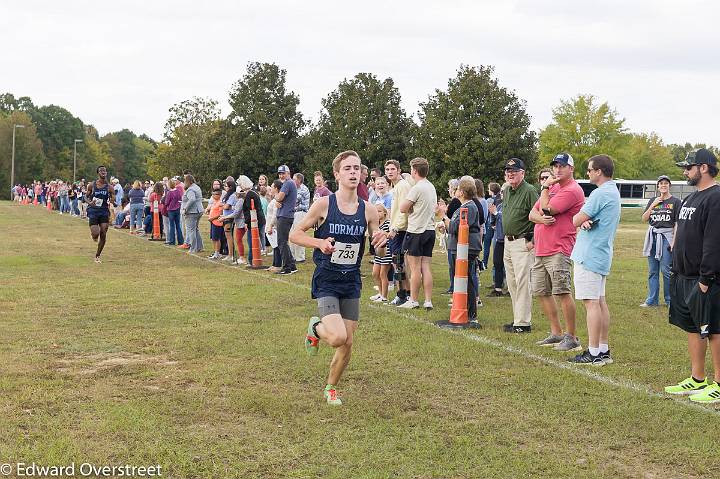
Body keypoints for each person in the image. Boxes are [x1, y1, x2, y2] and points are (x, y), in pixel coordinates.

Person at [291, 150, 386, 406]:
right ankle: (315, 327)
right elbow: (295, 234)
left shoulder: (368, 210)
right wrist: (319, 242)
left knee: (348, 342)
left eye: (357, 168)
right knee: (337, 337)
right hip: (327, 280)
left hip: (351, 281)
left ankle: (331, 387)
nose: (353, 172)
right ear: (337, 174)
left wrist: (381, 241)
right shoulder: (324, 204)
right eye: (347, 169)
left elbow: (378, 248)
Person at [665, 148, 720, 403]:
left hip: (706, 279)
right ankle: (698, 378)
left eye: (689, 167)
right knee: (693, 327)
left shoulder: (716, 197)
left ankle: (719, 382)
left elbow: (713, 241)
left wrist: (706, 279)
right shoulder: (690, 199)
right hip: (684, 276)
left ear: (704, 168)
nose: (685, 172)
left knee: (714, 329)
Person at [529, 153, 585, 351]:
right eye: (555, 166)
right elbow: (532, 213)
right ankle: (556, 333)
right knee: (541, 291)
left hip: (559, 248)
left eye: (562, 166)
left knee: (562, 291)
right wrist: (541, 218)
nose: (558, 169)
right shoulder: (552, 187)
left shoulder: (571, 190)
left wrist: (544, 195)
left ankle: (571, 337)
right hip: (541, 248)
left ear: (571, 169)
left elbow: (547, 209)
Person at [568, 154, 621, 365]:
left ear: (599, 171)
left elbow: (576, 219)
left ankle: (593, 352)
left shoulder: (601, 193)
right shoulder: (613, 192)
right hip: (601, 253)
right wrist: (586, 221)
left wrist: (583, 220)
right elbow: (588, 220)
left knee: (591, 304)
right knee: (599, 302)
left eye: (590, 170)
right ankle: (603, 349)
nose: (588, 173)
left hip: (589, 254)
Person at [501, 158, 538, 333]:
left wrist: (534, 241)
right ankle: (518, 318)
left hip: (523, 242)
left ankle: (523, 322)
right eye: (508, 171)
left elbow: (540, 216)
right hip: (508, 242)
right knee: (512, 282)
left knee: (523, 282)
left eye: (514, 171)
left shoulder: (529, 190)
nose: (510, 174)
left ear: (522, 173)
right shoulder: (508, 190)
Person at [398, 157, 437, 310]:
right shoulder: (431, 186)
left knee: (414, 268)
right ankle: (428, 300)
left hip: (416, 231)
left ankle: (413, 300)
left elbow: (402, 207)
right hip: (429, 230)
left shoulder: (417, 187)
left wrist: (410, 207)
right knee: (425, 266)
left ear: (414, 171)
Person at [640, 175, 681, 307]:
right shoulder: (653, 200)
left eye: (666, 183)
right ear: (658, 186)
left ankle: (670, 300)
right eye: (661, 183)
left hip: (666, 238)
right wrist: (653, 204)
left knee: (666, 270)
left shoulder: (675, 202)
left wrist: (673, 242)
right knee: (653, 271)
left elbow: (677, 224)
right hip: (652, 237)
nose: (663, 185)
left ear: (669, 186)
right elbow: (644, 219)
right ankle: (652, 300)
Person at [446, 176, 483, 321]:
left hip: (466, 248)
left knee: (466, 279)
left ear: (461, 192)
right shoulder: (466, 206)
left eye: (457, 189)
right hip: (462, 247)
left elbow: (456, 227)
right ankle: (466, 309)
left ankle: (470, 312)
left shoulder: (468, 207)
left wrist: (443, 216)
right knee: (464, 279)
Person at [386, 159, 414, 306]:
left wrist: (396, 228)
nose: (390, 172)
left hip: (401, 230)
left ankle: (406, 294)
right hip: (395, 228)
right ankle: (401, 294)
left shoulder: (403, 186)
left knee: (399, 263)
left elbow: (404, 211)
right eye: (387, 170)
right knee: (396, 262)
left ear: (398, 170)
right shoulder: (395, 187)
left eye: (392, 169)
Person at [86, 166, 115, 263]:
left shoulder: (109, 187)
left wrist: (112, 200)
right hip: (93, 211)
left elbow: (113, 198)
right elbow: (85, 197)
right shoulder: (92, 185)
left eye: (105, 170)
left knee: (103, 232)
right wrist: (90, 203)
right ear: (98, 173)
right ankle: (94, 236)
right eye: (101, 170)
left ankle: (97, 256)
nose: (103, 172)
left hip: (103, 211)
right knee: (96, 233)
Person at [274, 165, 298, 274]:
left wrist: (275, 194)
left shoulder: (288, 183)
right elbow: (280, 200)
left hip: (284, 216)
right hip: (286, 215)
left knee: (282, 242)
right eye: (280, 173)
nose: (281, 175)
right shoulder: (289, 183)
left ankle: (287, 267)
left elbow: (279, 197)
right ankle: (292, 265)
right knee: (283, 242)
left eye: (283, 173)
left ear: (288, 173)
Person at [238, 175, 266, 265]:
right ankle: (253, 259)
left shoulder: (250, 194)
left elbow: (251, 210)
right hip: (257, 220)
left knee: (251, 241)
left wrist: (247, 222)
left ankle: (251, 260)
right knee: (252, 240)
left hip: (255, 221)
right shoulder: (252, 193)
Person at [370, 204, 392, 303]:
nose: (377, 213)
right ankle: (380, 292)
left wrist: (384, 233)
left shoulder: (388, 223)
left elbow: (391, 235)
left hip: (386, 252)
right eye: (375, 211)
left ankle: (384, 296)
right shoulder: (376, 225)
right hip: (378, 252)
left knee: (383, 274)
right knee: (375, 273)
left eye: (379, 211)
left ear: (384, 213)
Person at [290, 173, 310, 263]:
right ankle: (293, 256)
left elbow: (295, 200)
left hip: (301, 213)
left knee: (298, 234)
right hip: (294, 213)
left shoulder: (303, 189)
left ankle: (300, 257)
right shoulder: (295, 188)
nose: (292, 180)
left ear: (299, 180)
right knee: (291, 235)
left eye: (294, 179)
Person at [181, 174, 204, 254]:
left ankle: (193, 249)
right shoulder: (196, 187)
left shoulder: (190, 189)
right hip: (199, 210)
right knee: (195, 229)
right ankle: (199, 247)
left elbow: (192, 199)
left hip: (192, 212)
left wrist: (185, 208)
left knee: (191, 230)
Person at [265, 180, 283, 272]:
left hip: (273, 226)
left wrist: (271, 226)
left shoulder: (277, 199)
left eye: (272, 187)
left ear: (276, 188)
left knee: (276, 247)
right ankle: (274, 264)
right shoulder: (274, 199)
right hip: (270, 224)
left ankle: (278, 265)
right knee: (274, 246)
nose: (270, 189)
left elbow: (275, 214)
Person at [163, 179, 184, 246]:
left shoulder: (169, 193)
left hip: (171, 210)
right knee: (178, 226)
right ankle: (180, 241)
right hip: (177, 209)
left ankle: (172, 241)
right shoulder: (178, 191)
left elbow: (166, 202)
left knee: (171, 226)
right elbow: (180, 198)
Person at [207, 189, 225, 259]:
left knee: (216, 238)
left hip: (217, 223)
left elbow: (220, 213)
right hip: (213, 222)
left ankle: (217, 253)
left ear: (220, 195)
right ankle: (215, 252)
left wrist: (212, 218)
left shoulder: (220, 203)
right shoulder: (214, 202)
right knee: (213, 238)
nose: (214, 196)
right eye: (213, 194)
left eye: (216, 194)